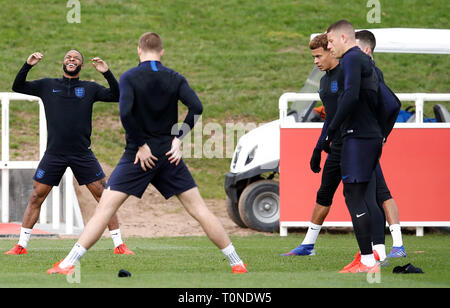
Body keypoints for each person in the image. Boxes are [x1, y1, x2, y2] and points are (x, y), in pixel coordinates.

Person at [46, 32, 247, 275]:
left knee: (104, 210)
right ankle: (237, 262)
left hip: (137, 155)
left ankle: (68, 264)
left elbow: (126, 114)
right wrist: (178, 139)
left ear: (139, 51)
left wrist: (141, 145)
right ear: (161, 52)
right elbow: (196, 107)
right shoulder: (175, 77)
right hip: (168, 155)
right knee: (200, 210)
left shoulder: (130, 77)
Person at [5, 50, 134, 255]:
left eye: (75, 58)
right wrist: (28, 65)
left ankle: (119, 245)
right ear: (63, 63)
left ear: (81, 66)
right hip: (54, 153)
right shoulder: (47, 85)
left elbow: (116, 95)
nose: (71, 59)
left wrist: (106, 72)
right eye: (67, 57)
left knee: (104, 196)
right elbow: (17, 86)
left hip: (82, 153)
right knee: (36, 196)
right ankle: (21, 245)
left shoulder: (89, 88)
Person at [280, 34, 385, 264]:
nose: (316, 61)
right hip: (338, 145)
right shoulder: (324, 81)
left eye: (319, 56)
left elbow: (376, 104)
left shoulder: (349, 74)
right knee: (324, 193)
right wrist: (320, 146)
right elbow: (330, 117)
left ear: (331, 51)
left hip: (358, 143)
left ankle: (378, 253)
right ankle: (308, 244)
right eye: (313, 57)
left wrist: (380, 136)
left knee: (367, 197)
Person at [323, 20, 384, 273]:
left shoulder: (350, 60)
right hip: (368, 136)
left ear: (344, 38)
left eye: (330, 41)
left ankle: (369, 261)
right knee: (366, 195)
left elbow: (350, 95)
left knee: (355, 196)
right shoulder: (366, 63)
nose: (329, 46)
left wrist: (332, 130)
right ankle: (370, 256)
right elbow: (388, 100)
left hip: (357, 137)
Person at [355, 30, 406, 258]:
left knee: (376, 195)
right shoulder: (367, 71)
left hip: (366, 141)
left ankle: (380, 250)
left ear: (367, 50)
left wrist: (381, 134)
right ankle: (394, 245)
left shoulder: (370, 72)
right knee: (380, 193)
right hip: (366, 140)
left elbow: (393, 104)